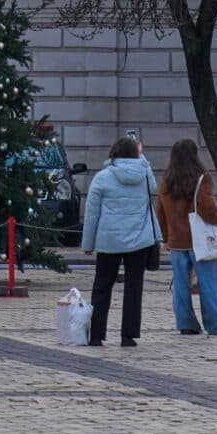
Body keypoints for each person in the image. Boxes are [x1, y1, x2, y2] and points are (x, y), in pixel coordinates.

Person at [79, 135, 160, 349]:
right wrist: (142, 157)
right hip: (139, 240)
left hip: (109, 240)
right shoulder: (144, 175)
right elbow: (154, 187)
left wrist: (88, 244)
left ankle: (96, 335)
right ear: (136, 153)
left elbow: (92, 215)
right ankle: (128, 336)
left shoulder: (103, 177)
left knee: (102, 286)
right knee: (134, 287)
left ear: (113, 153)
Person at [160, 139, 217, 338]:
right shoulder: (202, 179)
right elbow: (207, 207)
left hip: (176, 241)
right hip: (199, 241)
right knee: (209, 284)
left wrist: (165, 238)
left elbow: (161, 213)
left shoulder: (166, 180)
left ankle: (186, 323)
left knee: (181, 286)